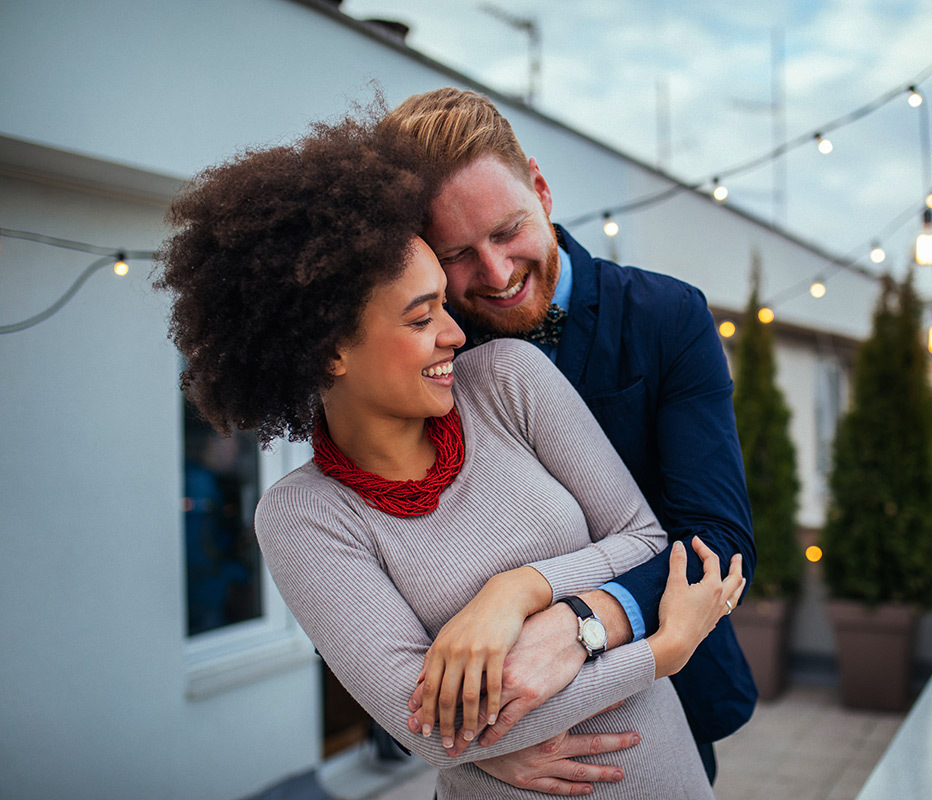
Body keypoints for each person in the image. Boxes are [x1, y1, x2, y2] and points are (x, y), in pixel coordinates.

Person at [155, 113, 744, 799]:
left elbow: (659, 538)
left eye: (506, 230)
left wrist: (521, 594)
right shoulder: (303, 516)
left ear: (543, 193)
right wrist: (657, 654)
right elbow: (429, 726)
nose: (457, 331)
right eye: (422, 311)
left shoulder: (513, 377)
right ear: (328, 352)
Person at [378, 88, 758, 793]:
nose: (495, 275)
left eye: (508, 230)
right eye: (458, 253)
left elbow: (719, 541)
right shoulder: (426, 359)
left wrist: (578, 622)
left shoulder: (668, 317)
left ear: (542, 187)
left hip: (667, 706)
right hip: (492, 748)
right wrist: (463, 746)